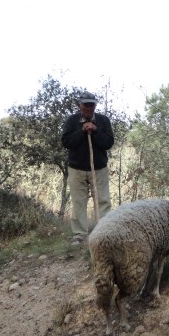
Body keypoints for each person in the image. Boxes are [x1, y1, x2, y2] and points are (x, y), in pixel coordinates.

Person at [61, 90, 115, 243]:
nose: (89, 108)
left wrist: (95, 130)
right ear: (80, 105)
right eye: (86, 105)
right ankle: (80, 234)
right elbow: (66, 142)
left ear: (95, 106)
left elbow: (108, 143)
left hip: (99, 169)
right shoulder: (72, 121)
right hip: (76, 169)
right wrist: (82, 131)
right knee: (78, 202)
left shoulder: (103, 121)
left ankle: (104, 232)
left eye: (91, 105)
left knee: (103, 201)